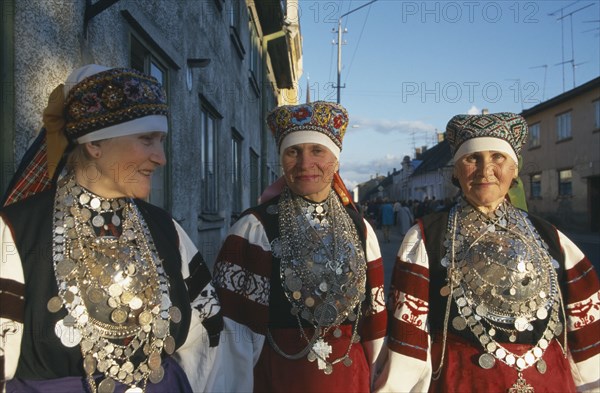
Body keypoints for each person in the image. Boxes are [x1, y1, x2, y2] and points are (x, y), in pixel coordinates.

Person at [0, 65, 223, 392]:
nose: (160, 157)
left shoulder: (167, 229)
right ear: (94, 144)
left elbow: (208, 329)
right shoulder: (17, 230)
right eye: (146, 139)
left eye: (161, 141)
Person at [376, 112, 600, 392]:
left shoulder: (549, 236)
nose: (485, 170)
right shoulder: (426, 237)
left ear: (515, 169)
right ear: (456, 170)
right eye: (472, 159)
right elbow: (408, 344)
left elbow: (586, 330)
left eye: (498, 157)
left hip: (550, 382)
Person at [210, 101, 387, 392]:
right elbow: (234, 327)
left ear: (336, 159)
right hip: (281, 375)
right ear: (282, 160)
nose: (305, 164)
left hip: (349, 376)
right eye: (293, 152)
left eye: (317, 151)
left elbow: (375, 318)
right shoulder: (254, 228)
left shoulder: (360, 228)